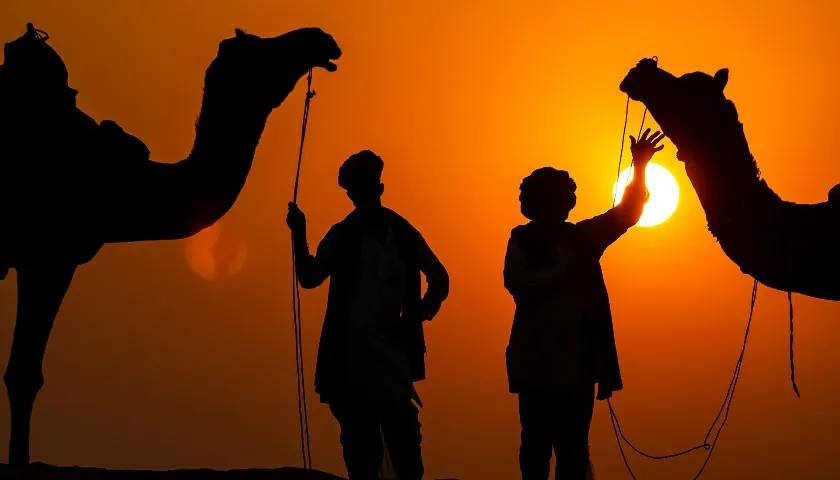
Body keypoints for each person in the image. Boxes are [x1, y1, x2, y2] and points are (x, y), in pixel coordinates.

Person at [503, 129, 665, 480]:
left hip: (574, 364)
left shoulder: (581, 238)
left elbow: (626, 213)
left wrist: (640, 169)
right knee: (537, 445)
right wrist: (562, 271)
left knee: (571, 447)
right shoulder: (525, 239)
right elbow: (516, 281)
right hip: (538, 362)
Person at [286, 150, 449, 480]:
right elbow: (310, 277)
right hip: (352, 355)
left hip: (389, 355)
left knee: (401, 447)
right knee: (366, 450)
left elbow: (440, 279)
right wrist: (299, 233)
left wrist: (415, 315)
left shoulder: (396, 232)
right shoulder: (352, 233)